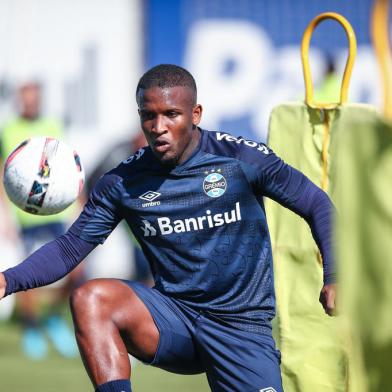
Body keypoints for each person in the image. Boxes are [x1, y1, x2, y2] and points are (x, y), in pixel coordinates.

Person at [0, 65, 336, 392]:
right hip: (173, 321)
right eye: (149, 115)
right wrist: (8, 280)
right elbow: (71, 247)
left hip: (240, 327)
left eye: (171, 114)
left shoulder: (241, 159)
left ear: (196, 114)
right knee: (91, 298)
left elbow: (316, 203)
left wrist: (335, 275)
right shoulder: (123, 181)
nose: (158, 126)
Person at [0, 81, 79, 359]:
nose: (30, 103)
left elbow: (68, 165)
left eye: (34, 98)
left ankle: (54, 317)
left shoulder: (53, 125)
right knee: (24, 275)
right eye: (25, 99)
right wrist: (5, 216)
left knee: (74, 270)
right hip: (23, 217)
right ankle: (32, 327)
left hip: (56, 212)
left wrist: (77, 202)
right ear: (19, 101)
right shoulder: (8, 129)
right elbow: (4, 171)